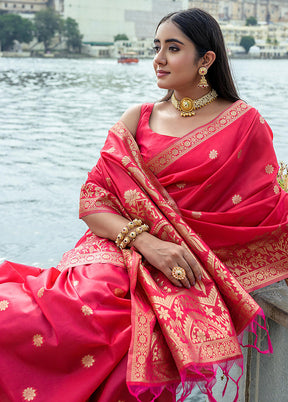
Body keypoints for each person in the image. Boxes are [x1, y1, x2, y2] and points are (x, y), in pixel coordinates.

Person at [1, 8, 288, 402]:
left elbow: (261, 211)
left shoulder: (244, 124)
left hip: (181, 266)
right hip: (117, 247)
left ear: (206, 60)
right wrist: (147, 242)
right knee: (49, 312)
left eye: (173, 48)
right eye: (157, 47)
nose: (158, 59)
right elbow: (93, 200)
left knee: (112, 321)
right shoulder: (138, 117)